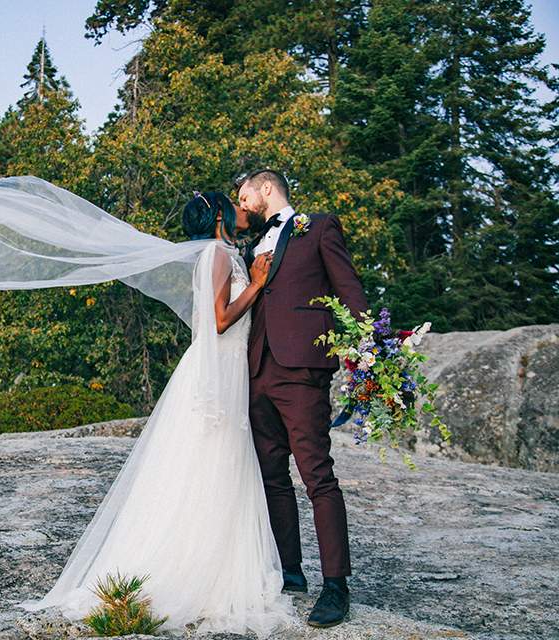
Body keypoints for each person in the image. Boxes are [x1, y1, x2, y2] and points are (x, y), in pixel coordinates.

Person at [21, 192, 294, 637]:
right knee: (213, 461)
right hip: (217, 369)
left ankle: (215, 560)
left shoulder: (223, 252)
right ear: (222, 215)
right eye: (238, 205)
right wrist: (258, 284)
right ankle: (196, 570)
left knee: (217, 464)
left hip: (226, 369)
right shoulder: (216, 253)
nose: (246, 211)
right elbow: (220, 320)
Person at [235, 169, 370, 628]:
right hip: (256, 370)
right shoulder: (248, 244)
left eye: (245, 194)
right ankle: (290, 573)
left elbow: (349, 290)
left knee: (317, 474)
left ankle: (336, 586)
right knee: (271, 474)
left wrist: (370, 351)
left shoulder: (320, 228)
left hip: (303, 370)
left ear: (266, 189)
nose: (243, 203)